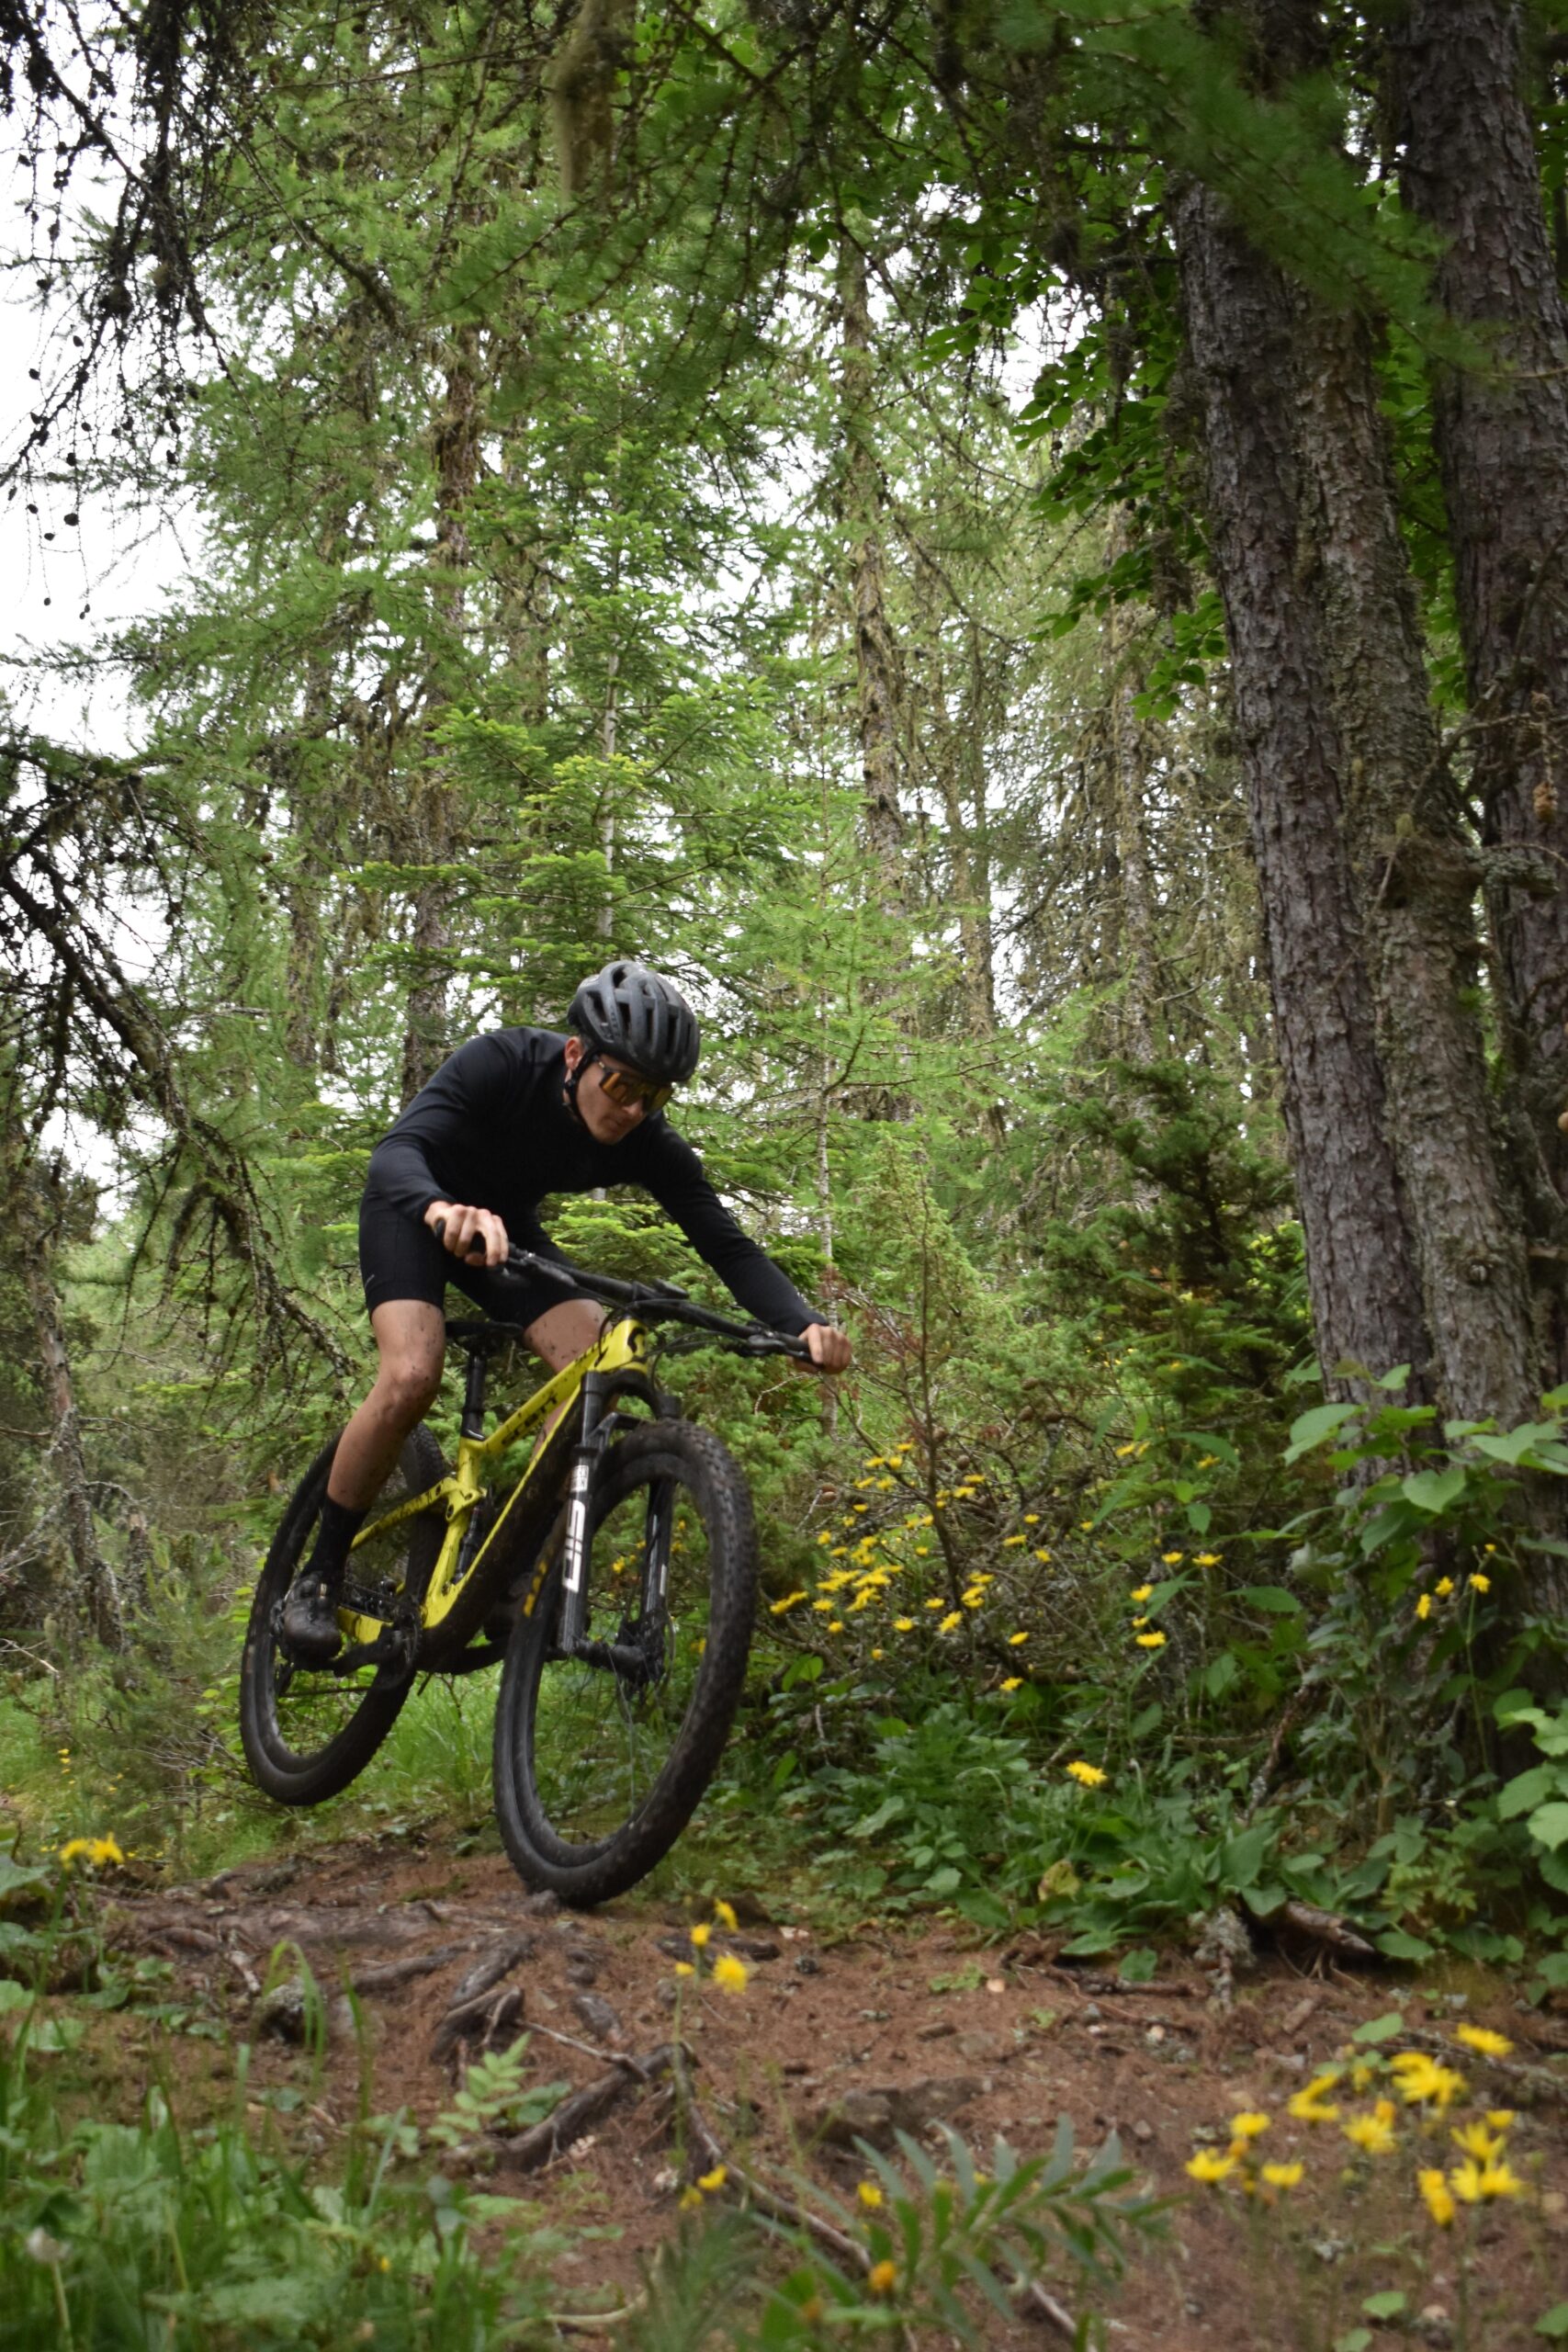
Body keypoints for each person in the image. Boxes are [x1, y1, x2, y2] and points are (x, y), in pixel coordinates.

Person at [283, 960, 852, 1659]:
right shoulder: (503, 1063)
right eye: (620, 1084)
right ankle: (318, 1574)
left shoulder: (646, 1140)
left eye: (654, 1095)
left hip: (506, 1235)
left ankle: (507, 1560)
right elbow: (398, 1152)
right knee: (411, 1376)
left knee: (596, 1367)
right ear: (577, 1055)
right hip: (414, 1209)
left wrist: (802, 1325)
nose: (633, 1108)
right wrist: (439, 1210)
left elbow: (725, 1244)